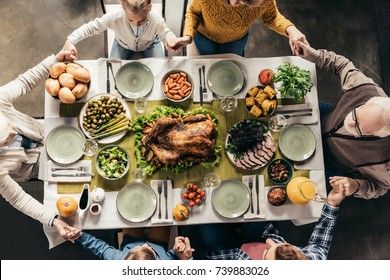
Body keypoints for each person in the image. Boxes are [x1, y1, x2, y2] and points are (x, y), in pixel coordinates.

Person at [0, 50, 82, 243]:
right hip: (38, 168)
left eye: (10, 126)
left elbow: (26, 81)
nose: (14, 133)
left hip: (49, 132)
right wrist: (53, 220)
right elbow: (18, 199)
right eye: (5, 141)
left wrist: (55, 60)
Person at [296, 40, 390, 200]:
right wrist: (315, 55)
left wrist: (356, 186)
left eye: (359, 128)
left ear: (381, 135)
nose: (350, 123)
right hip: (324, 116)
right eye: (356, 114)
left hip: (329, 161)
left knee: (296, 188)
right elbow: (341, 64)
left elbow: (379, 188)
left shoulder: (385, 160)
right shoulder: (367, 89)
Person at [198, 188, 346, 260]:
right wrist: (332, 203)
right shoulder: (309, 263)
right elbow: (319, 247)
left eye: (266, 252)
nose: (268, 242)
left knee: (202, 212)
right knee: (252, 197)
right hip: (259, 234)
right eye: (277, 245)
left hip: (226, 254)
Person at [171, 0, 308, 56]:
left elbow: (271, 17)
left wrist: (291, 29)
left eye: (245, 3)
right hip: (205, 37)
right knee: (210, 66)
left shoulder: (265, 0)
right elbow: (193, 12)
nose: (237, 5)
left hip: (236, 40)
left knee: (231, 69)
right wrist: (188, 36)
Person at [62, 0, 178, 60]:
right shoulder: (114, 17)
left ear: (150, 8)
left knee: (159, 72)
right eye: (131, 20)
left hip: (151, 45)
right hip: (122, 45)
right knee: (113, 71)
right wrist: (70, 40)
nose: (137, 25)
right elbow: (91, 27)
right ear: (123, 8)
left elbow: (166, 33)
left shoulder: (157, 20)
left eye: (142, 20)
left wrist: (170, 39)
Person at [76, 227, 194, 260]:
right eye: (147, 248)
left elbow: (99, 247)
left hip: (131, 239)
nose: (144, 244)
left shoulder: (118, 260)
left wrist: (79, 235)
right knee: (163, 217)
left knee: (131, 215)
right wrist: (183, 256)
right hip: (158, 244)